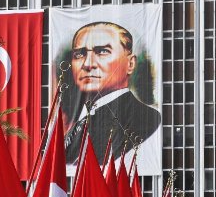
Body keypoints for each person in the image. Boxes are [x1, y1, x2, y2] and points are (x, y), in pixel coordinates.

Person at [64, 21, 161, 163]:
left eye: (102, 51)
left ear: (130, 64)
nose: (87, 64)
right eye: (79, 54)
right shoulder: (78, 123)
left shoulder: (145, 118)